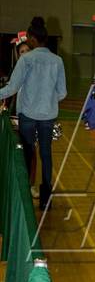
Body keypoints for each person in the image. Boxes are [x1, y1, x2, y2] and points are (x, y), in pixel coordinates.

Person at [0, 17, 67, 210]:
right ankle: (46, 198)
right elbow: (62, 93)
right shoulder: (58, 61)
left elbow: (12, 88)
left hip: (28, 116)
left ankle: (25, 196)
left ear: (32, 38)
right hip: (48, 116)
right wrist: (47, 99)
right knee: (46, 155)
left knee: (27, 155)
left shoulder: (26, 59)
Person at [7, 32, 39, 198]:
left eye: (28, 50)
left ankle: (31, 184)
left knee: (31, 151)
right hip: (14, 117)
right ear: (17, 55)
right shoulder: (14, 72)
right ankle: (16, 184)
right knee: (16, 151)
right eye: (22, 52)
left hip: (32, 116)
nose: (25, 54)